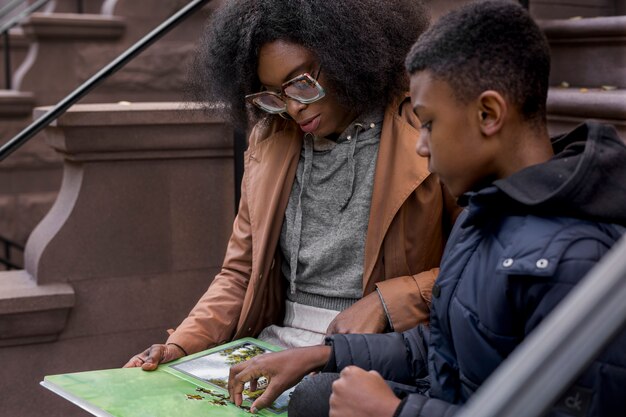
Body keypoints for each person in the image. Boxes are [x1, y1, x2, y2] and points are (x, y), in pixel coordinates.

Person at [226, 1, 626, 416]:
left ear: (488, 113)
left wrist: (394, 413)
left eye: (429, 123)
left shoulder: (578, 259)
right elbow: (443, 346)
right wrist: (325, 356)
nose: (419, 144)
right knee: (316, 397)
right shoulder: (482, 216)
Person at [124, 0, 458, 369]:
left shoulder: (423, 129)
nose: (292, 107)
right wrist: (181, 346)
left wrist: (386, 302)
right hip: (274, 347)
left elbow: (477, 266)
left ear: (347, 55)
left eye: (301, 83)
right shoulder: (270, 138)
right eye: (274, 93)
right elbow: (240, 274)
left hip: (383, 350)